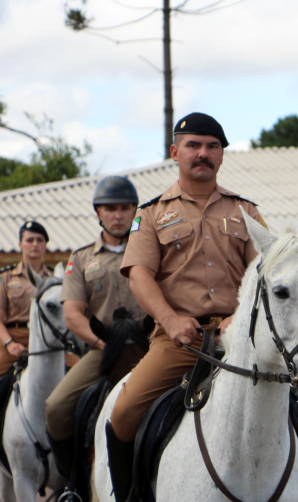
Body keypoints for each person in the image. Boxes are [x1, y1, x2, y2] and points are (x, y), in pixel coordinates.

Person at [104, 113, 264, 501]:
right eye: (193, 145)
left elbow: (263, 272)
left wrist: (238, 318)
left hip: (237, 338)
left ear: (222, 155)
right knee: (122, 415)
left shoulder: (246, 211)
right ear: (175, 152)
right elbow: (139, 275)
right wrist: (171, 320)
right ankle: (130, 496)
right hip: (178, 341)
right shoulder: (152, 213)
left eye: (212, 146)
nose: (203, 154)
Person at [44, 176, 146, 488]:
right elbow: (73, 314)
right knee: (55, 408)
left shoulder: (153, 251)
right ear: (98, 213)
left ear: (134, 212)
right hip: (102, 350)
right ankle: (72, 481)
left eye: (125, 208)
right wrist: (103, 342)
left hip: (149, 348)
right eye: (110, 209)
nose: (118, 215)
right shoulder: (82, 258)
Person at [0, 221, 54, 376]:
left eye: (40, 240)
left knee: (76, 373)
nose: (35, 244)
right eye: (29, 240)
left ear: (45, 245)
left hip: (49, 341)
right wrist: (9, 344)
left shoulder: (54, 278)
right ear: (20, 244)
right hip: (15, 338)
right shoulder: (6, 278)